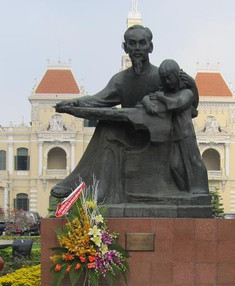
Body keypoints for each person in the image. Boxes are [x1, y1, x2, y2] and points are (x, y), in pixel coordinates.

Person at [51, 25, 198, 204]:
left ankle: (82, 183)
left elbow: (189, 103)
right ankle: (94, 188)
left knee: (110, 129)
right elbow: (98, 99)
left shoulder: (162, 76)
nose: (137, 48)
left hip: (159, 138)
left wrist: (192, 85)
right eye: (132, 43)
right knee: (107, 127)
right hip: (130, 134)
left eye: (142, 43)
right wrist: (74, 103)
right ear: (126, 47)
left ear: (150, 47)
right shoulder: (120, 80)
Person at [141, 59, 208, 194]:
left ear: (177, 76)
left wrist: (161, 98)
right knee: (175, 166)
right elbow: (148, 97)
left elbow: (176, 104)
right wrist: (146, 101)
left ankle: (200, 190)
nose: (166, 82)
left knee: (195, 161)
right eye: (164, 79)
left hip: (186, 134)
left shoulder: (187, 93)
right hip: (172, 136)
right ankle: (185, 191)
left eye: (169, 78)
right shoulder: (164, 93)